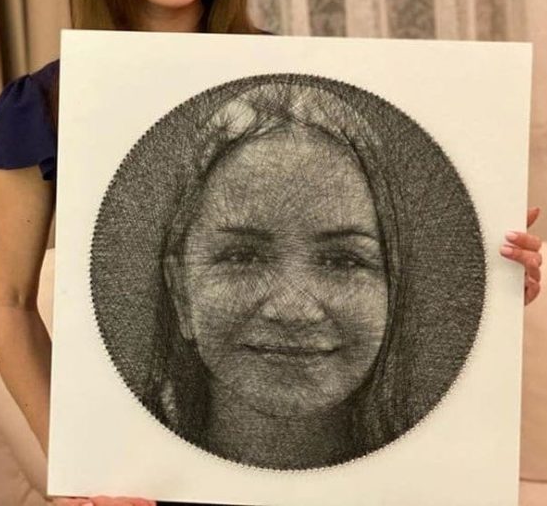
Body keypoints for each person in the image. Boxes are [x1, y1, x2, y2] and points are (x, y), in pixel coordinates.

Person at [0, 0, 543, 506]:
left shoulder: (299, 79)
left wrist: (494, 268)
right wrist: (75, 462)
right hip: (151, 487)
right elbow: (6, 302)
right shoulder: (43, 104)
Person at [91, 75, 487, 470]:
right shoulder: (118, 465)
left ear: (392, 291)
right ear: (180, 291)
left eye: (343, 261)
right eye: (242, 257)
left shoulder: (441, 471)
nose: (293, 310)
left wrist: (508, 282)